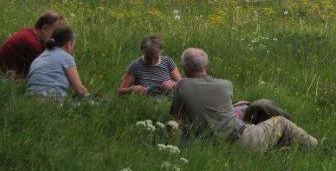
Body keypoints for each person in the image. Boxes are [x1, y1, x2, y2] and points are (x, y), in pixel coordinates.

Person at [171, 47, 317, 152]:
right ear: (207, 66)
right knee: (282, 122)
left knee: (247, 107)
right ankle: (317, 147)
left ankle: (285, 144)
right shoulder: (225, 85)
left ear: (184, 67)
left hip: (206, 144)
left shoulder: (182, 86)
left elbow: (178, 122)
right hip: (240, 140)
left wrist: (174, 147)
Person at [0, 11, 66, 77]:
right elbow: (50, 69)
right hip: (7, 80)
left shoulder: (29, 33)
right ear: (44, 29)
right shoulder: (31, 43)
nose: (56, 37)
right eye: (55, 33)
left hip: (8, 77)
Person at [26, 26, 89, 98]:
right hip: (52, 100)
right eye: (73, 45)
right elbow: (80, 90)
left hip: (31, 99)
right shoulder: (66, 57)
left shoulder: (38, 59)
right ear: (68, 44)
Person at [117, 35, 182, 96]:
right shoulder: (135, 65)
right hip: (144, 104)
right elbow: (120, 91)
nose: (152, 62)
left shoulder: (168, 62)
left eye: (156, 58)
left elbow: (183, 85)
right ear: (142, 52)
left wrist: (173, 84)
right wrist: (132, 89)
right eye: (148, 58)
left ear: (161, 51)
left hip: (167, 103)